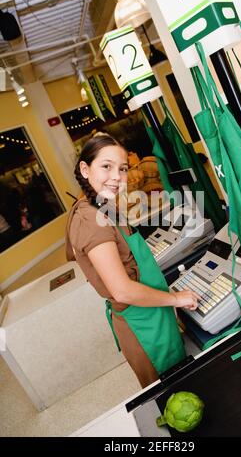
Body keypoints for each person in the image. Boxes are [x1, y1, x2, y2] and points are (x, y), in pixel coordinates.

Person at [65, 133, 198, 388]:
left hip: (152, 313)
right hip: (142, 326)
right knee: (174, 395)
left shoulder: (102, 206)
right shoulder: (91, 220)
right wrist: (176, 299)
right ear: (85, 169)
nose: (117, 176)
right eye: (106, 166)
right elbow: (122, 290)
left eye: (122, 168)